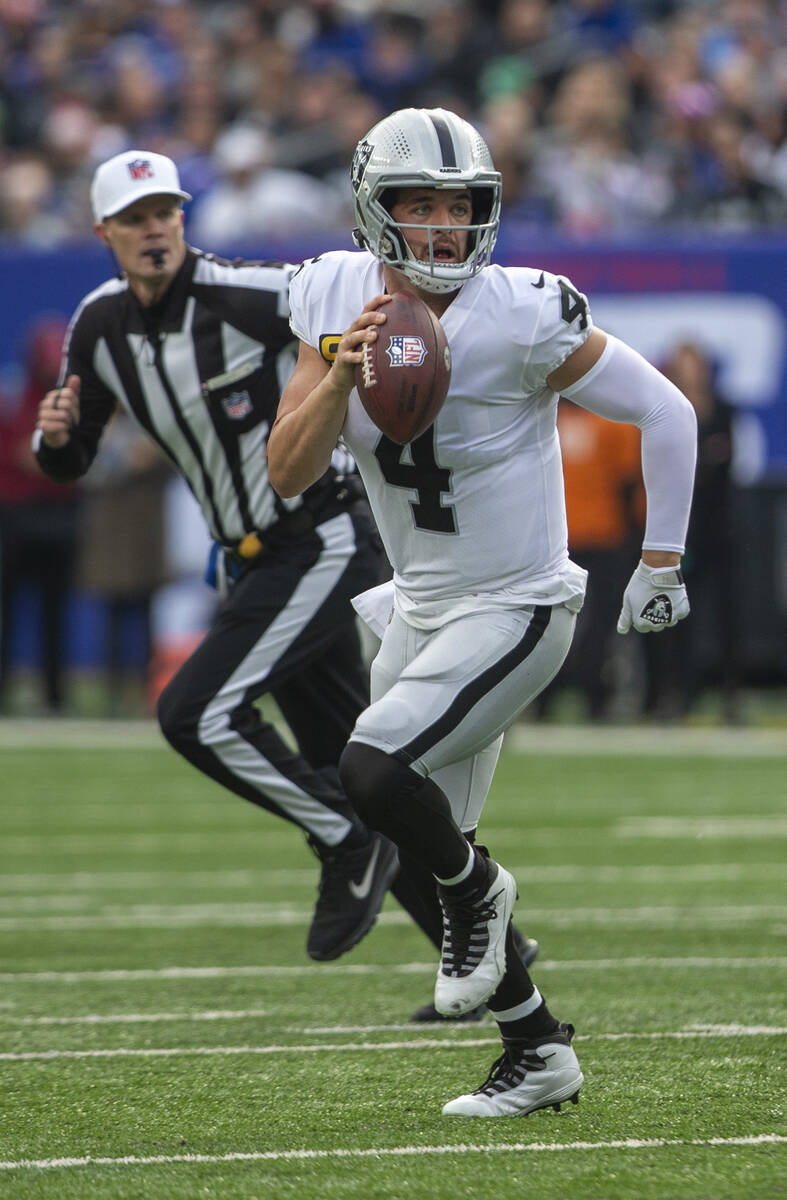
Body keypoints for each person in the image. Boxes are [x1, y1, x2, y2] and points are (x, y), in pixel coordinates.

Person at [267, 107, 697, 1117]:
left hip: (516, 605)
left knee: (372, 768)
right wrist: (337, 371)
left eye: (459, 206)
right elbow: (286, 470)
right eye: (418, 204)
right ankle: (538, 1051)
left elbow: (665, 410)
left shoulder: (520, 312)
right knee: (423, 832)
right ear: (375, 210)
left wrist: (662, 560)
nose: (441, 227)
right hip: (419, 606)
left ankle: (477, 889)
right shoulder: (330, 293)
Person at [32, 148, 438, 974]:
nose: (155, 231)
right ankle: (485, 945)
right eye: (136, 220)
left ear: (183, 218)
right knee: (353, 765)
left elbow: (365, 310)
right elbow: (73, 456)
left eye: (166, 214)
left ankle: (341, 839)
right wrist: (54, 439)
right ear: (105, 232)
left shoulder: (248, 292)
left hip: (321, 536)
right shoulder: (101, 325)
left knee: (195, 713)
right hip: (252, 561)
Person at [0, 315, 80, 713]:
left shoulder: (70, 398)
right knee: (7, 610)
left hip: (59, 516)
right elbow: (21, 455)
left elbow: (77, 458)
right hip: (14, 517)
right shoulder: (13, 395)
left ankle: (54, 696)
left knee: (55, 612)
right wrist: (52, 458)